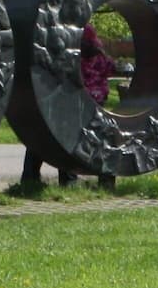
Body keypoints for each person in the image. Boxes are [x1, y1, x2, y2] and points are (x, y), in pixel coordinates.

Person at [22, 25, 115, 187]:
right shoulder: (100, 58)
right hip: (94, 106)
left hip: (74, 105)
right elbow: (111, 69)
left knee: (53, 139)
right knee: (91, 141)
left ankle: (41, 177)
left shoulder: (74, 59)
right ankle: (100, 180)